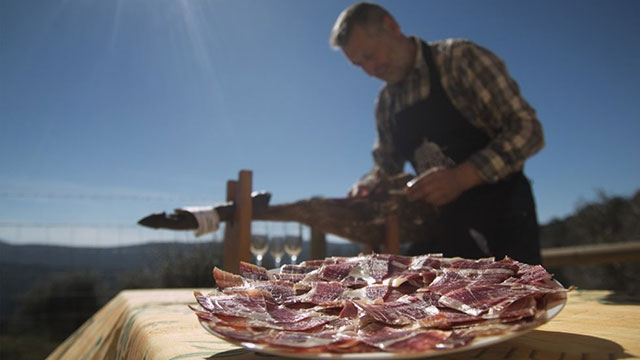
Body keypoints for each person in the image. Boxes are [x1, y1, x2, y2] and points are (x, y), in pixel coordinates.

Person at [329, 2, 545, 264]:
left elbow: (528, 129)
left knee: (514, 300)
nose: (371, 70)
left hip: (504, 217)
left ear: (391, 26)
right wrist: (367, 186)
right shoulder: (386, 103)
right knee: (412, 295)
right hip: (439, 224)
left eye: (370, 55)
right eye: (359, 64)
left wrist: (463, 177)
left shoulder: (459, 59)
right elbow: (385, 167)